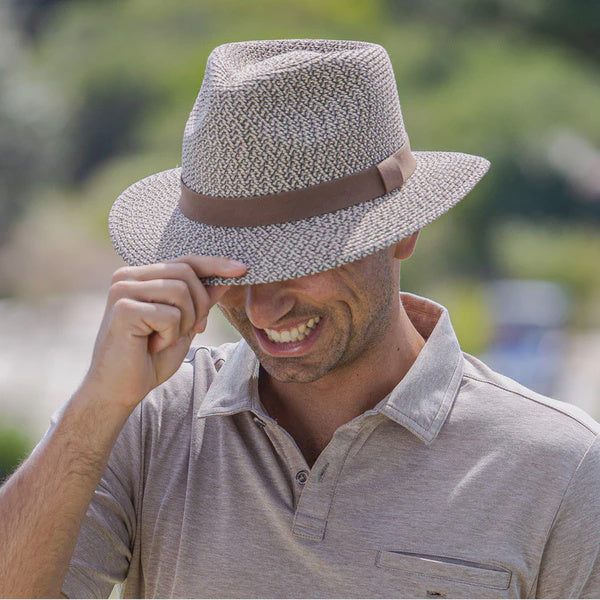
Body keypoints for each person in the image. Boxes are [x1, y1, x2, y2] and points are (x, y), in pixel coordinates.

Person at [1, 39, 599, 599]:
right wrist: (97, 404)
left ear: (404, 231)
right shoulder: (148, 422)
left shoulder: (562, 469)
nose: (261, 309)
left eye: (302, 261)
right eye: (230, 270)